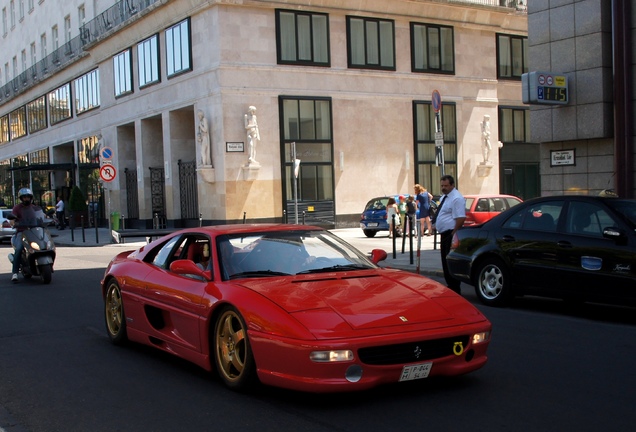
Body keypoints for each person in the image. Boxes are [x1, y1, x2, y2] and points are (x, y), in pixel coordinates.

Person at [431, 175, 466, 294]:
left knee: (450, 262)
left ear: (452, 185)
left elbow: (460, 218)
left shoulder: (457, 198)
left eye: (446, 186)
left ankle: (455, 288)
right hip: (444, 234)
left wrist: (453, 234)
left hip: (450, 234)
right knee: (445, 262)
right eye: (442, 186)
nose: (443, 188)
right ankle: (450, 286)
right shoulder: (444, 198)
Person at [10, 188, 42, 282]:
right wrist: (13, 222)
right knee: (19, 248)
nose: (26, 199)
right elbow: (12, 218)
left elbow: (41, 216)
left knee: (43, 244)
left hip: (33, 231)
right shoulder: (17, 208)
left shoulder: (34, 207)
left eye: (28, 197)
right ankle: (15, 273)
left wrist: (47, 217)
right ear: (21, 198)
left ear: (31, 197)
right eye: (24, 197)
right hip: (22, 232)